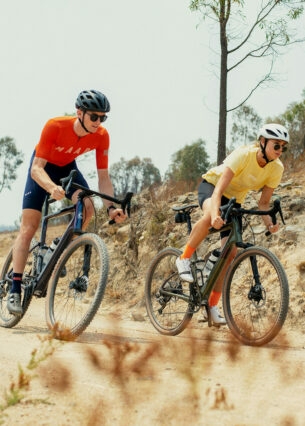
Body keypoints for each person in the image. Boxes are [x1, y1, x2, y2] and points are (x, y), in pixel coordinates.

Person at [7, 89, 127, 315]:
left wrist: (111, 208)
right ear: (79, 113)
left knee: (88, 206)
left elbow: (103, 177)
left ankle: (54, 249)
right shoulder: (55, 125)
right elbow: (36, 169)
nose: (98, 122)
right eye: (94, 116)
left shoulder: (102, 136)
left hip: (67, 168)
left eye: (103, 117)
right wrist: (51, 187)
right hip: (42, 167)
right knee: (29, 227)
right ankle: (14, 289)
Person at [175, 123, 289, 325]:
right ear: (262, 142)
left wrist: (270, 224)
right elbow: (218, 190)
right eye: (276, 145)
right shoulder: (244, 155)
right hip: (212, 187)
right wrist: (215, 215)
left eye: (283, 147)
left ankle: (211, 307)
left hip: (235, 201)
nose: (280, 151)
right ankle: (184, 258)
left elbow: (263, 203)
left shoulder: (276, 168)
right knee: (211, 214)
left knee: (230, 254)